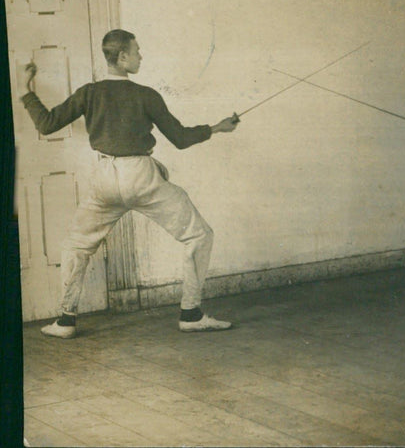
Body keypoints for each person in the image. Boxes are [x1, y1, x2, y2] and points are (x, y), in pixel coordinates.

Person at [20, 29, 240, 337]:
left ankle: (66, 321)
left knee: (76, 245)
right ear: (122, 57)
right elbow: (180, 138)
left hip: (104, 179)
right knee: (200, 235)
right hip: (141, 177)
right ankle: (190, 314)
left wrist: (27, 91)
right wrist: (216, 127)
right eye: (137, 51)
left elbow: (46, 124)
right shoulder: (146, 94)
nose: (140, 56)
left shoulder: (89, 92)